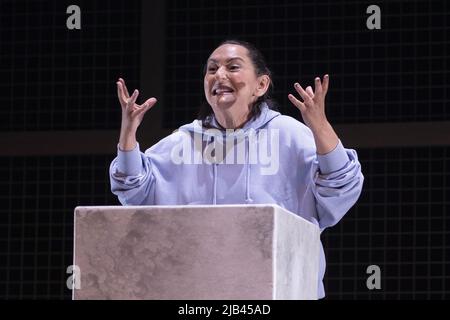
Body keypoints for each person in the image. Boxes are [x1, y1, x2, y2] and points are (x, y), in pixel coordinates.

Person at [109, 39, 364, 299]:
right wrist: (128, 134)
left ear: (261, 85)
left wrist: (319, 125)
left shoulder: (288, 134)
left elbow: (341, 185)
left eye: (233, 67)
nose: (219, 75)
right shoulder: (185, 141)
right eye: (211, 69)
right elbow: (134, 190)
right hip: (201, 295)